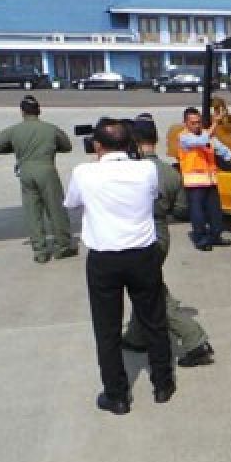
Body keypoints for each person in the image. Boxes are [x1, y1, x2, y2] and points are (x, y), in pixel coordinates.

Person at [64, 119, 175, 415]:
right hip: (142, 254)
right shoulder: (146, 169)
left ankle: (117, 395)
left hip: (105, 259)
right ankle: (163, 383)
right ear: (130, 144)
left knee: (107, 329)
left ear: (97, 146)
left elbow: (71, 203)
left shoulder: (84, 172)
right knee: (154, 319)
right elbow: (153, 196)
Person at [121, 115, 215, 368]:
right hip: (161, 231)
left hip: (139, 234)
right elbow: (182, 209)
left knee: (152, 292)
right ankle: (136, 336)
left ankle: (195, 340)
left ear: (134, 141)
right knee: (145, 285)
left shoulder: (131, 171)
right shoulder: (170, 173)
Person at [0, 96, 76, 263]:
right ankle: (62, 246)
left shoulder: (14, 131)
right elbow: (67, 146)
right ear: (39, 110)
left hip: (25, 171)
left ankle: (40, 251)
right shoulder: (50, 129)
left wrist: (14, 147)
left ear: (22, 112)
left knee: (33, 212)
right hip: (46, 170)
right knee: (55, 209)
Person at [177, 106, 231, 251]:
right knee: (198, 213)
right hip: (194, 184)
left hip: (210, 180)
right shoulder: (183, 137)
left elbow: (222, 149)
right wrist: (215, 123)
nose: (197, 125)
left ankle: (216, 236)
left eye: (198, 122)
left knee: (215, 211)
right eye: (193, 123)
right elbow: (200, 142)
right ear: (185, 123)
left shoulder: (206, 135)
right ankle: (201, 239)